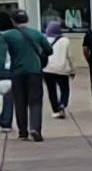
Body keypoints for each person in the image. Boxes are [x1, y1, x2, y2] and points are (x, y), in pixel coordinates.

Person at [2, 9, 54, 141]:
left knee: (20, 102)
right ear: (27, 20)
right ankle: (35, 128)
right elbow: (49, 50)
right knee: (35, 101)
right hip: (35, 71)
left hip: (17, 72)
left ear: (13, 21)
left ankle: (23, 132)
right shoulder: (36, 34)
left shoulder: (8, 35)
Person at [42, 21, 74, 119]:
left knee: (52, 91)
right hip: (62, 69)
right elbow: (69, 56)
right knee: (65, 89)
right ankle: (62, 104)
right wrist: (72, 70)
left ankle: (55, 111)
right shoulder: (65, 40)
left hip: (47, 69)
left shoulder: (44, 39)